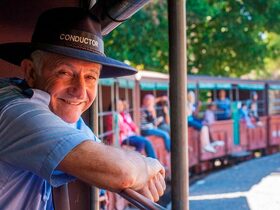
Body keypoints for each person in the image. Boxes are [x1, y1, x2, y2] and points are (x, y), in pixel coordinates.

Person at [0, 7, 165, 209]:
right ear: (31, 72)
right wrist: (149, 165)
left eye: (90, 77)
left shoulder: (59, 114)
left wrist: (134, 167)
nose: (80, 91)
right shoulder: (16, 111)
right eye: (65, 73)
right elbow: (122, 173)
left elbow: (99, 154)